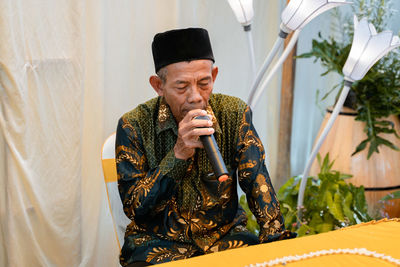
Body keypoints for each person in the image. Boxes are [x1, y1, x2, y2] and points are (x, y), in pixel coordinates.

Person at [115, 28, 295, 267]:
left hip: (225, 237)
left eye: (204, 83)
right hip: (157, 243)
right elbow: (135, 207)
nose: (196, 97)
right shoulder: (134, 124)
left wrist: (277, 243)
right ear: (158, 85)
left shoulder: (233, 113)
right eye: (181, 87)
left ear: (214, 75)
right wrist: (178, 154)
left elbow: (257, 182)